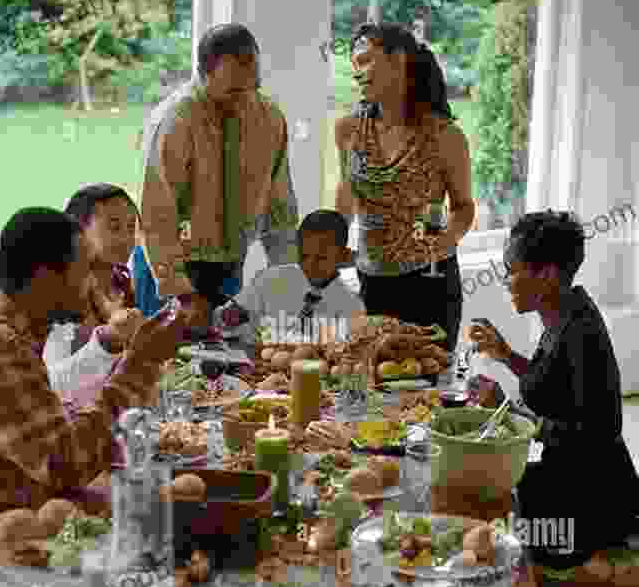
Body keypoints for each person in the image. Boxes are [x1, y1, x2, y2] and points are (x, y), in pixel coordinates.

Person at [0, 208, 189, 521]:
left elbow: (53, 436)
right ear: (45, 277)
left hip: (37, 505)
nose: (93, 286)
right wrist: (141, 363)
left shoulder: (10, 327)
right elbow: (65, 465)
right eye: (84, 271)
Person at [470, 210, 639, 569]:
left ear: (546, 274)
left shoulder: (581, 333)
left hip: (591, 508)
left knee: (492, 534)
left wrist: (513, 412)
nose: (506, 281)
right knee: (479, 495)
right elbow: (549, 384)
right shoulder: (563, 315)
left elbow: (597, 434)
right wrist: (505, 355)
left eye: (511, 270)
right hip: (567, 480)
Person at [139, 23, 299, 319]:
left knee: (226, 355)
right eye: (234, 91)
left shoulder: (270, 119)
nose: (245, 100)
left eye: (253, 86)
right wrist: (181, 291)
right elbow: (157, 211)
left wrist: (288, 275)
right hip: (167, 266)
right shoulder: (175, 120)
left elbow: (280, 203)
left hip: (229, 266)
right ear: (203, 75)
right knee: (165, 360)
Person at [334, 23, 475, 351]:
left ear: (399, 61)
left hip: (430, 283)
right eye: (355, 65)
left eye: (367, 61)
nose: (358, 73)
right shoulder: (348, 129)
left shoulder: (446, 136)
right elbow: (347, 191)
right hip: (371, 282)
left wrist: (445, 240)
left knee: (427, 388)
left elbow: (463, 207)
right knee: (372, 381)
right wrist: (334, 238)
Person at [43, 184, 143, 401]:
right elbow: (51, 387)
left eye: (131, 227)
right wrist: (106, 344)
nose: (127, 239)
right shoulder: (60, 294)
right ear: (78, 232)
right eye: (114, 228)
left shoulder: (123, 284)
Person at [215, 209, 365, 345]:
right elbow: (227, 320)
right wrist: (227, 317)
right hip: (258, 363)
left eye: (321, 258)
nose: (310, 265)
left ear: (343, 256)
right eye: (304, 256)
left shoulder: (351, 308)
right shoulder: (271, 279)